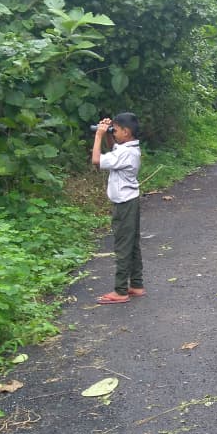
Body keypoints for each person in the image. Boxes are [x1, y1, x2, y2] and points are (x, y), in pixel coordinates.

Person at [91, 113, 144, 304]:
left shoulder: (126, 153)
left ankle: (120, 291)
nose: (113, 133)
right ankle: (136, 284)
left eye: (116, 130)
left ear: (126, 132)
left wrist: (98, 135)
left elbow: (97, 160)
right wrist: (107, 133)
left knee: (123, 245)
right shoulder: (127, 149)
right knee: (132, 244)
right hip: (130, 201)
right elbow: (112, 150)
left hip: (124, 204)